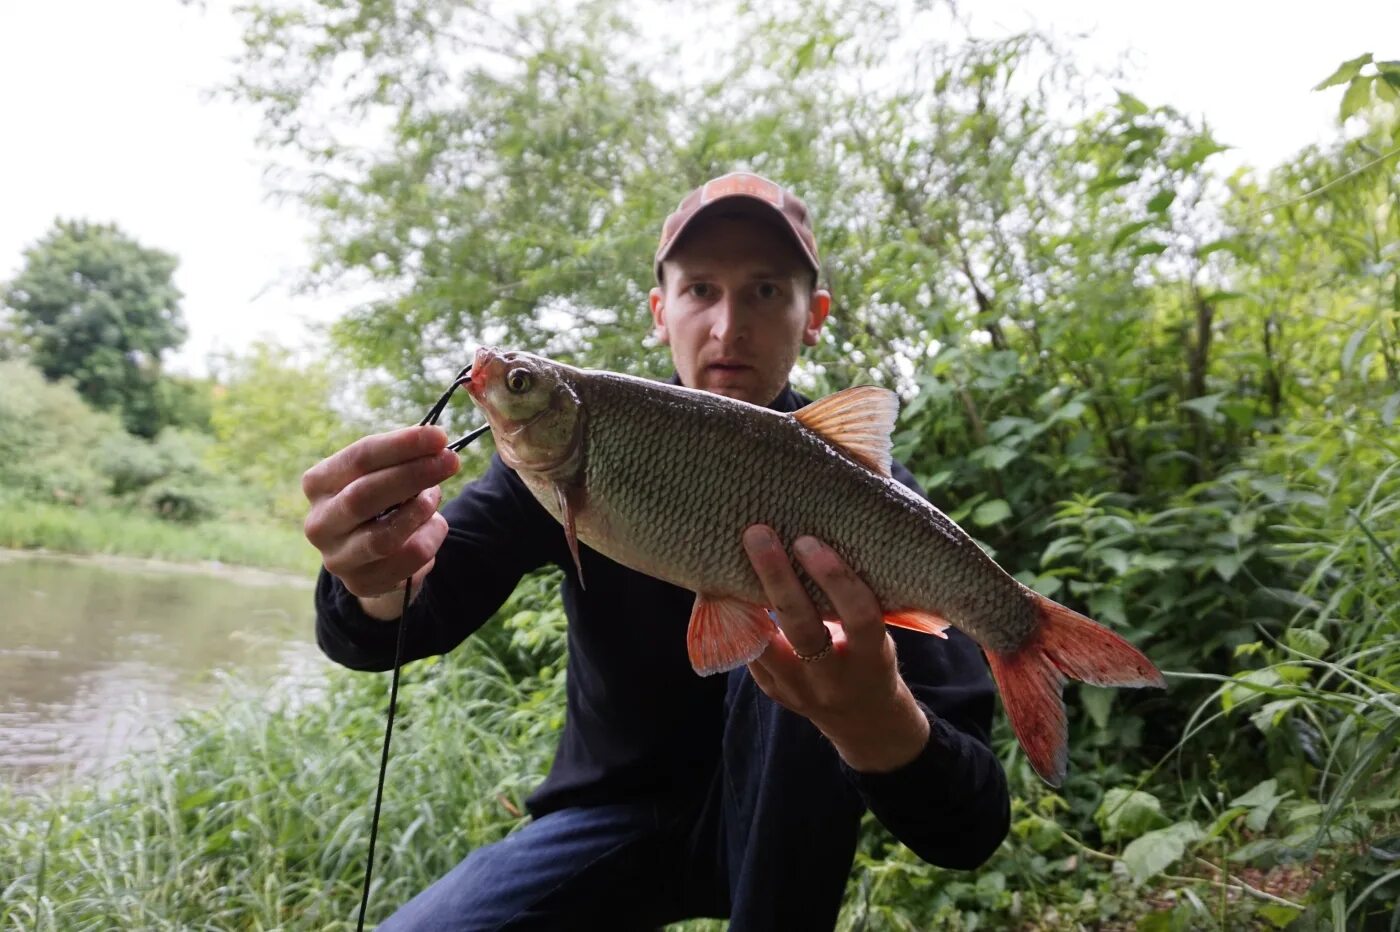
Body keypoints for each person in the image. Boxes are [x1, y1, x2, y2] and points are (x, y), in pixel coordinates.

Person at [302, 171, 1010, 930]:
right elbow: (394, 624)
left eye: (767, 291)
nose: (728, 325)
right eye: (700, 289)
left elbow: (967, 826)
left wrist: (877, 721)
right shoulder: (572, 446)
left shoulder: (870, 494)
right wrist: (374, 571)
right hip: (606, 819)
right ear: (659, 311)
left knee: (811, 642)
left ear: (815, 317)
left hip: (786, 845)